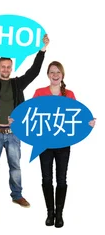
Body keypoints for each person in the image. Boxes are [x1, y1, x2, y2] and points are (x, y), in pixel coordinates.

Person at [0, 30, 49, 209]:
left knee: (16, 167)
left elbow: (34, 71)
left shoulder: (17, 83)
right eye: (2, 66)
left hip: (14, 133)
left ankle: (17, 195)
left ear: (11, 68)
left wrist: (43, 49)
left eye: (8, 66)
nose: (5, 69)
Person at [27, 61, 96, 228]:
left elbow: (76, 117)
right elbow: (29, 114)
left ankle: (59, 214)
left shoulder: (69, 94)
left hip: (63, 144)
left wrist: (88, 123)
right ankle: (50, 213)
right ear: (48, 75)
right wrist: (16, 121)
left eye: (58, 72)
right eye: (52, 72)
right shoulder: (39, 92)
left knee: (62, 179)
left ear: (62, 75)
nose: (55, 75)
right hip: (43, 143)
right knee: (46, 178)